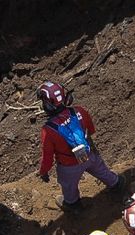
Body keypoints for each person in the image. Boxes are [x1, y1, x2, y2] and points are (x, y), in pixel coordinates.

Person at [36, 81, 124, 211]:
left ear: (48, 105)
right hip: (89, 155)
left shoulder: (48, 130)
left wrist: (43, 172)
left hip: (68, 166)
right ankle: (116, 183)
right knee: (102, 171)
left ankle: (72, 204)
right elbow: (91, 130)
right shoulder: (80, 111)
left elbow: (47, 157)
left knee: (69, 186)